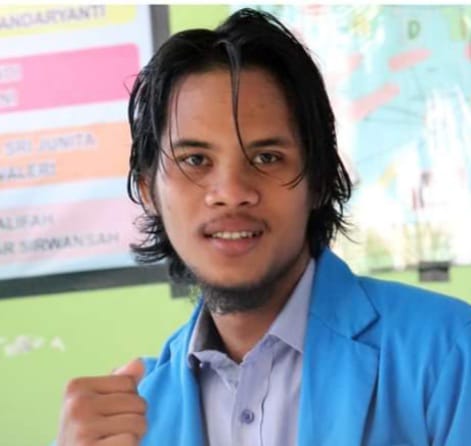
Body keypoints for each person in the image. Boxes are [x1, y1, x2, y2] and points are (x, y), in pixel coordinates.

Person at [56, 8, 471, 446]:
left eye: (267, 157)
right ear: (148, 191)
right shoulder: (128, 419)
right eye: (195, 160)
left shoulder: (449, 353)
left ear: (318, 180)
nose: (231, 192)